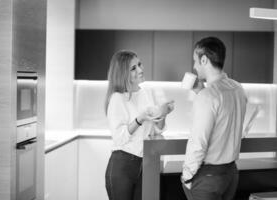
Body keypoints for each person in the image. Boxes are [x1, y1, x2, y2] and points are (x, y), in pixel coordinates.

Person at [181, 37, 247, 200]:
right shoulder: (238, 88)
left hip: (208, 178)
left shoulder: (207, 96)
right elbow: (223, 118)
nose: (195, 66)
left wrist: (187, 176)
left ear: (204, 60)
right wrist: (201, 91)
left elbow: (199, 142)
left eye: (195, 61)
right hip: (230, 174)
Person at [104, 50, 174, 200]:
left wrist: (163, 113)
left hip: (144, 164)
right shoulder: (117, 98)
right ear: (123, 73)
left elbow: (155, 131)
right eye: (133, 68)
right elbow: (119, 138)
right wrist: (139, 119)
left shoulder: (144, 93)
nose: (141, 70)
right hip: (122, 166)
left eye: (139, 64)